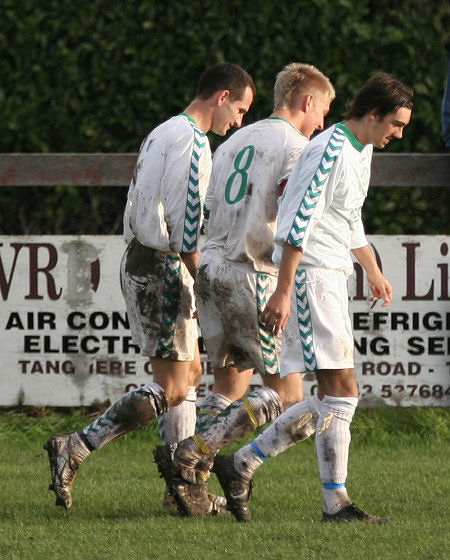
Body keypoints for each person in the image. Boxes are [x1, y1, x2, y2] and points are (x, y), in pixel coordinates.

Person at [43, 62, 255, 512]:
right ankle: (76, 447)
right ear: (221, 97)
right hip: (162, 265)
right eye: (239, 108)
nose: (238, 121)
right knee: (176, 386)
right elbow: (184, 224)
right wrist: (205, 278)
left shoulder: (164, 130)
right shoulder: (194, 142)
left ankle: (182, 490)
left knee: (188, 376)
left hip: (145, 257)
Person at [212, 72, 414, 523]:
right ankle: (334, 503)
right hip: (309, 279)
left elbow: (348, 218)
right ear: (374, 113)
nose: (398, 134)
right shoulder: (328, 149)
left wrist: (373, 270)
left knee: (330, 396)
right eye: (396, 124)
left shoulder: (360, 151)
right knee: (341, 391)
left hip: (331, 275)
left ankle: (240, 463)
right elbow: (295, 222)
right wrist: (283, 290)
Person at [153, 63, 335, 518]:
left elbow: (208, 206)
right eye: (324, 110)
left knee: (229, 384)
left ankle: (188, 482)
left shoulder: (234, 139)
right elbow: (295, 218)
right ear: (307, 101)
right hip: (252, 272)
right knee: (290, 395)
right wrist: (287, 286)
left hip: (211, 267)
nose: (323, 124)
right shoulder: (297, 147)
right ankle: (192, 452)